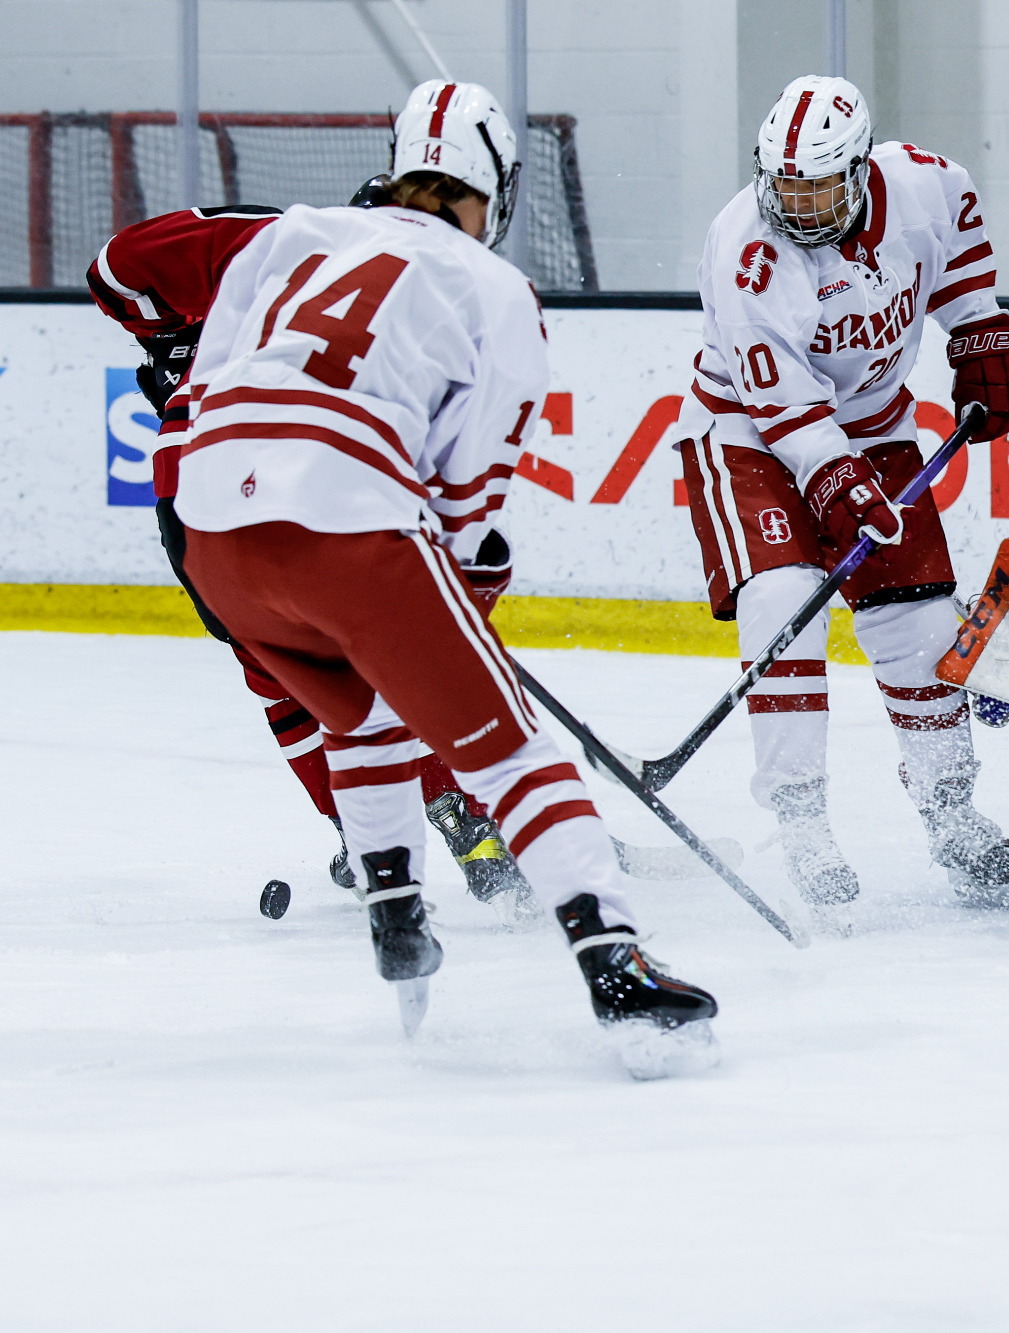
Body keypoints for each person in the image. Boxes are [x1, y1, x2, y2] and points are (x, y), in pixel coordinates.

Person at [171, 79, 717, 1074]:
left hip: (210, 533)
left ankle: (397, 918)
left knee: (361, 718)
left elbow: (203, 383)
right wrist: (467, 579)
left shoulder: (293, 232)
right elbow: (467, 501)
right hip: (345, 524)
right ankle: (618, 966)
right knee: (509, 747)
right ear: (490, 193)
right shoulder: (492, 286)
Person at [86, 199, 533, 919]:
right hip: (313, 496)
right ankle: (473, 824)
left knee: (282, 673)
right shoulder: (431, 300)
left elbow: (116, 269)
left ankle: (363, 839)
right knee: (394, 666)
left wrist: (176, 338)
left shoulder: (283, 247)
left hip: (195, 492)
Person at [673, 74, 1009, 910]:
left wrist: (980, 331)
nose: (795, 205)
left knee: (919, 619)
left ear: (860, 170)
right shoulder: (745, 249)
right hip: (749, 436)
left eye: (816, 187)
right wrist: (837, 479)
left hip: (876, 424)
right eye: (783, 185)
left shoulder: (928, 183)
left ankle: (951, 813)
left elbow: (959, 261)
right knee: (784, 602)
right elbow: (782, 406)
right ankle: (800, 822)